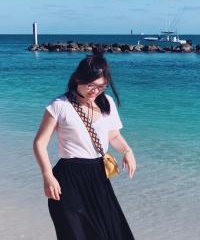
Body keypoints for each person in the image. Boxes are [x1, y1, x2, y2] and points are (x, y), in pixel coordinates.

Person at [33, 49, 136, 239]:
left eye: (102, 87)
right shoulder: (60, 105)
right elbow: (40, 143)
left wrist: (127, 151)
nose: (95, 91)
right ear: (77, 79)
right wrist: (47, 176)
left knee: (110, 232)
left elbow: (113, 135)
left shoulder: (107, 103)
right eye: (91, 85)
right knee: (76, 234)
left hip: (98, 176)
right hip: (67, 179)